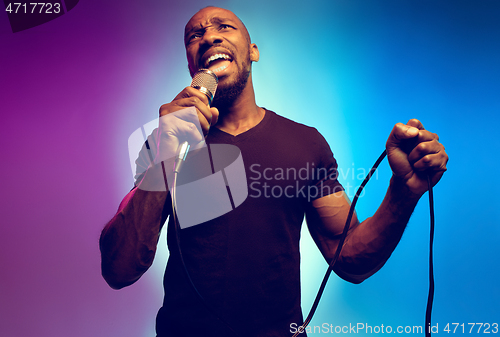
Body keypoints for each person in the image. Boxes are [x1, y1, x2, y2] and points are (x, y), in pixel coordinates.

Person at [99, 6, 448, 337]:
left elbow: (348, 259)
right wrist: (164, 155)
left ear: (252, 51)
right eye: (195, 35)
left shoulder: (305, 143)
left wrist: (403, 192)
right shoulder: (167, 141)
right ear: (191, 62)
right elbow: (120, 268)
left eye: (224, 27)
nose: (209, 38)